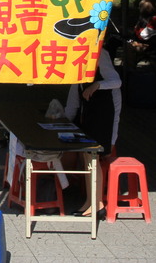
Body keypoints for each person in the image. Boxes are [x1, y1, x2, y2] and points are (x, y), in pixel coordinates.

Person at [65, 43, 121, 218]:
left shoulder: (100, 53)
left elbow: (116, 81)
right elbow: (75, 94)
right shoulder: (75, 58)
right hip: (89, 113)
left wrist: (96, 85)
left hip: (105, 113)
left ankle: (97, 204)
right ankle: (90, 201)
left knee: (93, 155)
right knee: (87, 155)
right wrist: (64, 119)